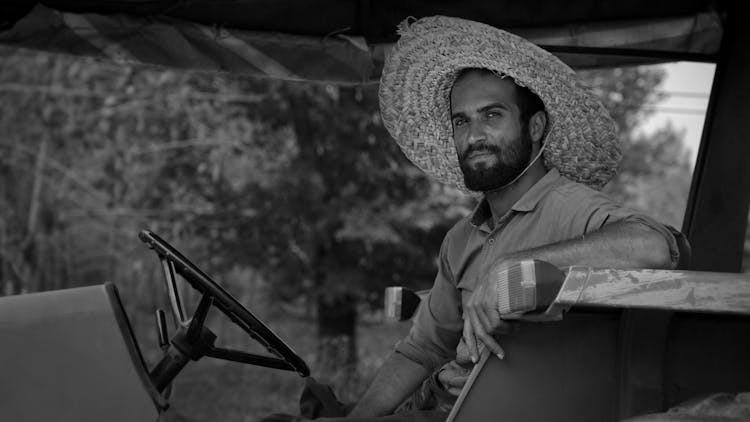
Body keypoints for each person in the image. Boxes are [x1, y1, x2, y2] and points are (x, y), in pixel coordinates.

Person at [261, 15, 681, 422]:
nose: (474, 135)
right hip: (436, 405)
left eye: (492, 115)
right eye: (462, 121)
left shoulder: (569, 207)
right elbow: (422, 350)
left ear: (535, 127)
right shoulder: (461, 238)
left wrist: (515, 267)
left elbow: (655, 247)